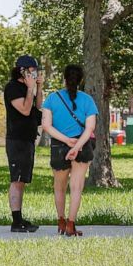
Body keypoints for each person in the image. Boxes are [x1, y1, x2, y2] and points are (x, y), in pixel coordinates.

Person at [42, 65, 98, 237]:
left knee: (59, 187)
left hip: (59, 147)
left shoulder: (51, 99)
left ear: (64, 79)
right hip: (82, 145)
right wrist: (76, 147)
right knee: (76, 187)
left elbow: (46, 126)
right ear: (81, 80)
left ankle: (61, 220)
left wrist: (66, 141)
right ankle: (71, 225)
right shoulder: (88, 100)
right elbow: (89, 129)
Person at [3, 55, 44, 233]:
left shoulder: (28, 88)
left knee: (22, 181)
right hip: (17, 140)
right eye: (32, 70)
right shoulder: (13, 88)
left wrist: (38, 87)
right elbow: (26, 110)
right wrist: (30, 89)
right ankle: (16, 221)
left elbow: (37, 107)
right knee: (17, 180)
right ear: (22, 70)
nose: (34, 73)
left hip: (28, 139)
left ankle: (20, 219)